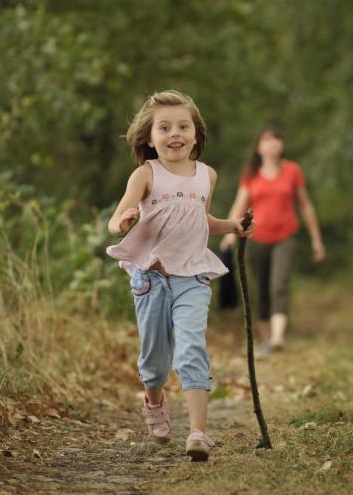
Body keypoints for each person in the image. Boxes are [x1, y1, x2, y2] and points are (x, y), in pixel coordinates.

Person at [106, 90, 253, 461]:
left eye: (183, 126)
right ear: (149, 138)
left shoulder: (207, 175)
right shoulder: (145, 174)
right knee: (155, 363)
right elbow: (116, 218)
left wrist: (233, 225)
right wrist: (122, 220)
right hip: (151, 278)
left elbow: (200, 221)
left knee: (191, 349)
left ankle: (199, 433)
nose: (175, 133)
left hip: (192, 275)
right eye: (165, 127)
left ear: (196, 135)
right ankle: (154, 398)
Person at [220, 126, 325, 356]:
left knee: (280, 284)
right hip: (255, 238)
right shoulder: (251, 175)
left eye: (277, 139)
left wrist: (317, 240)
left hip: (285, 235)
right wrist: (229, 234)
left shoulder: (293, 171)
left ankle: (278, 337)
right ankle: (266, 339)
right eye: (268, 140)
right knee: (260, 289)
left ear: (282, 145)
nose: (273, 143)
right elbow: (239, 205)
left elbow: (305, 205)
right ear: (259, 148)